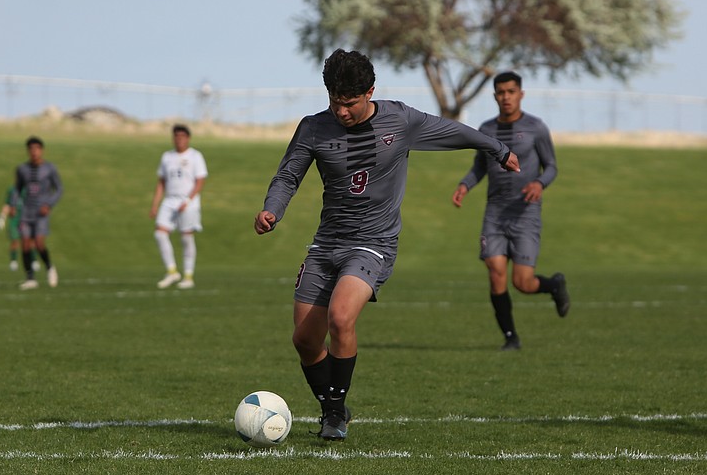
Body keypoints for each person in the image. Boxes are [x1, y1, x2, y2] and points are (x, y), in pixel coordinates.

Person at [254, 49, 520, 441]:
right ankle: (336, 407)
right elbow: (288, 176)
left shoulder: (401, 119)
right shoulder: (313, 128)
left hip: (373, 243)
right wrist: (271, 210)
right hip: (326, 243)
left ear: (370, 92)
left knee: (341, 318)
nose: (340, 111)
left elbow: (454, 131)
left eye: (349, 103)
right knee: (305, 341)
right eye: (334, 102)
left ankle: (333, 416)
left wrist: (498, 150)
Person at [451, 71, 569, 351]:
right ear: (495, 96)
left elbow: (551, 165)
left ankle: (554, 285)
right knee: (495, 270)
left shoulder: (536, 128)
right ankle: (510, 338)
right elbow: (480, 166)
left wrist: (540, 184)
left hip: (525, 213)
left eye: (511, 92)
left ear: (521, 94)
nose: (506, 97)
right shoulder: (486, 130)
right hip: (495, 212)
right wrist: (465, 186)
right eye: (501, 93)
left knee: (523, 282)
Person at [150, 124, 208, 289]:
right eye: (176, 136)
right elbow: (161, 182)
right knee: (160, 233)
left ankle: (188, 275)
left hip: (188, 201)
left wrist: (188, 201)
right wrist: (155, 204)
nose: (179, 139)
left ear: (188, 138)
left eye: (182, 136)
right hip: (169, 200)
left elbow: (200, 181)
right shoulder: (167, 157)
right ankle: (172, 271)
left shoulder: (195, 156)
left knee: (186, 237)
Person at [13, 136, 63, 290]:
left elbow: (59, 189)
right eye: (31, 149)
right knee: (26, 244)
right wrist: (13, 205)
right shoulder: (22, 169)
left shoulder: (50, 168)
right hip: (26, 212)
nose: (34, 152)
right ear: (28, 151)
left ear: (42, 150)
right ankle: (30, 278)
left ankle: (49, 268)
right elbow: (17, 189)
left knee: (39, 243)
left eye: (37, 149)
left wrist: (49, 204)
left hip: (41, 212)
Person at [0, 185, 24, 271]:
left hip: (25, 218)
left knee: (29, 240)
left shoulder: (29, 189)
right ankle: (13, 262)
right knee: (14, 240)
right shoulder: (12, 190)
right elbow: (7, 205)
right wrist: (2, 218)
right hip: (14, 219)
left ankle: (33, 261)